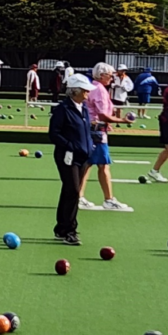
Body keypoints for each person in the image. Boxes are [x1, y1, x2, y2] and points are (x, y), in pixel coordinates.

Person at [48, 74, 96, 246]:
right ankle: (70, 230)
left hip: (82, 156)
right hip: (67, 156)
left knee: (70, 191)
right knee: (74, 191)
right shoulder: (63, 109)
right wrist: (70, 145)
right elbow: (54, 134)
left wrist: (90, 143)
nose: (88, 93)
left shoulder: (83, 108)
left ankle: (61, 229)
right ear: (75, 91)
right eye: (85, 90)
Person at [79, 63, 133, 211]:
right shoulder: (100, 90)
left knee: (87, 164)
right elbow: (102, 114)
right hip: (97, 132)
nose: (112, 78)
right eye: (110, 75)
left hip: (92, 129)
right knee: (103, 165)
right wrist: (122, 120)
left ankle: (79, 197)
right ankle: (108, 199)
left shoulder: (93, 87)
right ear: (102, 75)